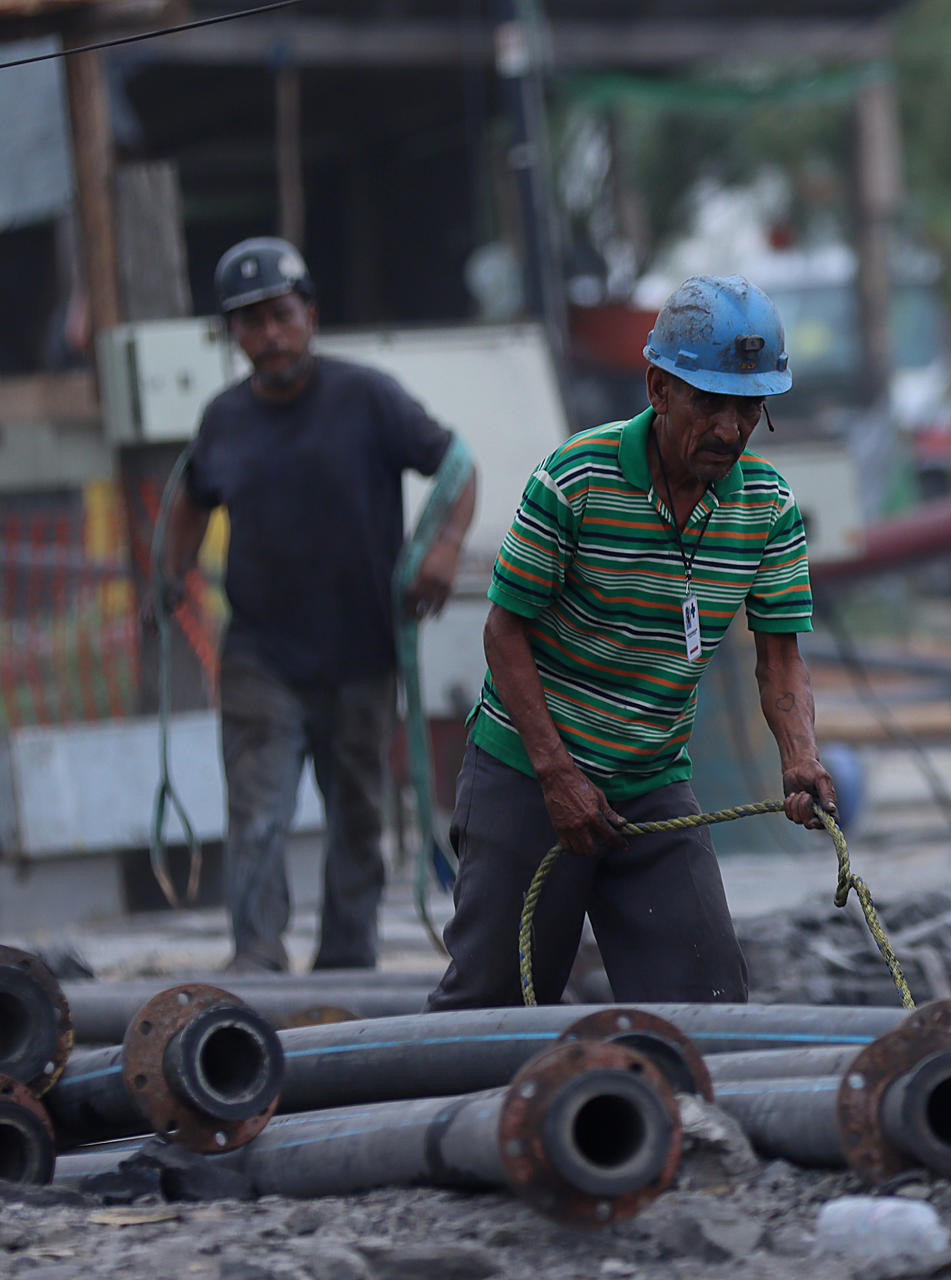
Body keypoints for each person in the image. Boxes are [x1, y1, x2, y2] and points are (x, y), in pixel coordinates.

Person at [426, 274, 835, 1009]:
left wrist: (800, 757)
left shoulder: (768, 507)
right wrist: (558, 776)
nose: (729, 430)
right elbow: (503, 633)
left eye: (749, 410)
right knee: (492, 1010)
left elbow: (780, 658)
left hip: (651, 783)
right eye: (710, 404)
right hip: (528, 774)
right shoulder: (575, 479)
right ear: (658, 388)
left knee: (708, 1003)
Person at [156, 236, 477, 973]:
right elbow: (190, 497)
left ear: (309, 313)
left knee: (358, 819)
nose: (268, 335)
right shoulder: (224, 420)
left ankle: (345, 965)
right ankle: (259, 958)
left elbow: (457, 463)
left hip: (363, 651)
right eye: (249, 322)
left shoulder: (368, 397)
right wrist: (169, 573)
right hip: (262, 655)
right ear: (231, 335)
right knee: (258, 813)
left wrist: (444, 546)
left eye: (280, 315)